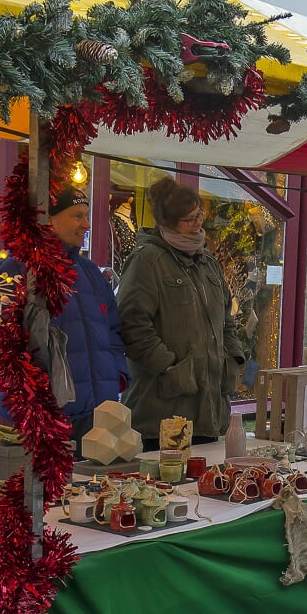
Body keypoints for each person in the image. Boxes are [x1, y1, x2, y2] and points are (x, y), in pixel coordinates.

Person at [0, 188, 128, 443]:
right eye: (77, 215)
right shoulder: (12, 270)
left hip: (98, 418)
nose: (86, 224)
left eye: (87, 215)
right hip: (42, 419)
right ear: (48, 220)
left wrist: (117, 376)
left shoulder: (90, 273)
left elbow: (113, 331)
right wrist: (21, 389)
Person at [117, 177, 244, 446]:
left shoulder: (207, 262)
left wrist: (233, 358)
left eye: (199, 214)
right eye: (189, 219)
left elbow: (226, 320)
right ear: (167, 223)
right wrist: (168, 366)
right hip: (162, 414)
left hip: (210, 412)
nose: (199, 223)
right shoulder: (147, 261)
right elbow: (131, 325)